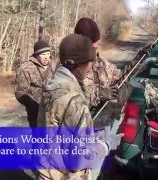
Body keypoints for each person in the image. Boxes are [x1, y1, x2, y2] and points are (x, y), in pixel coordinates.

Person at [36, 34, 123, 180]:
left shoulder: (52, 86)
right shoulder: (75, 100)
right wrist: (105, 145)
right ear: (76, 64)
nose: (90, 68)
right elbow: (77, 161)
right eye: (89, 62)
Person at [15, 40, 56, 127]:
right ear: (36, 55)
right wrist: (33, 106)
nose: (46, 57)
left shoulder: (54, 66)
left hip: (54, 111)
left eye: (48, 53)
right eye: (43, 54)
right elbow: (20, 93)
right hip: (35, 113)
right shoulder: (26, 68)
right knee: (39, 138)